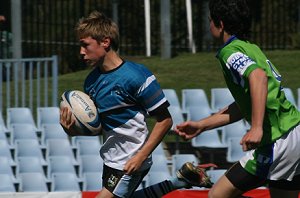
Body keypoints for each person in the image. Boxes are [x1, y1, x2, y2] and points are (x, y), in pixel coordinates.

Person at [60, 11, 213, 198]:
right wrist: (74, 130)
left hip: (131, 159)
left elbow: (165, 120)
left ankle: (180, 181)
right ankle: (180, 181)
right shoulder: (91, 82)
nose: (81, 52)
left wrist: (140, 156)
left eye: (85, 45)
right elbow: (103, 125)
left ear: (105, 42)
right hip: (111, 158)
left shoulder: (137, 76)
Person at [175, 0, 300, 198]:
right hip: (294, 133)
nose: (209, 26)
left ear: (221, 24)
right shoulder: (251, 48)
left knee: (217, 195)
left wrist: (256, 127)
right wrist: (202, 125)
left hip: (277, 140)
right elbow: (245, 105)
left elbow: (257, 77)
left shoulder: (230, 52)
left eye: (210, 21)